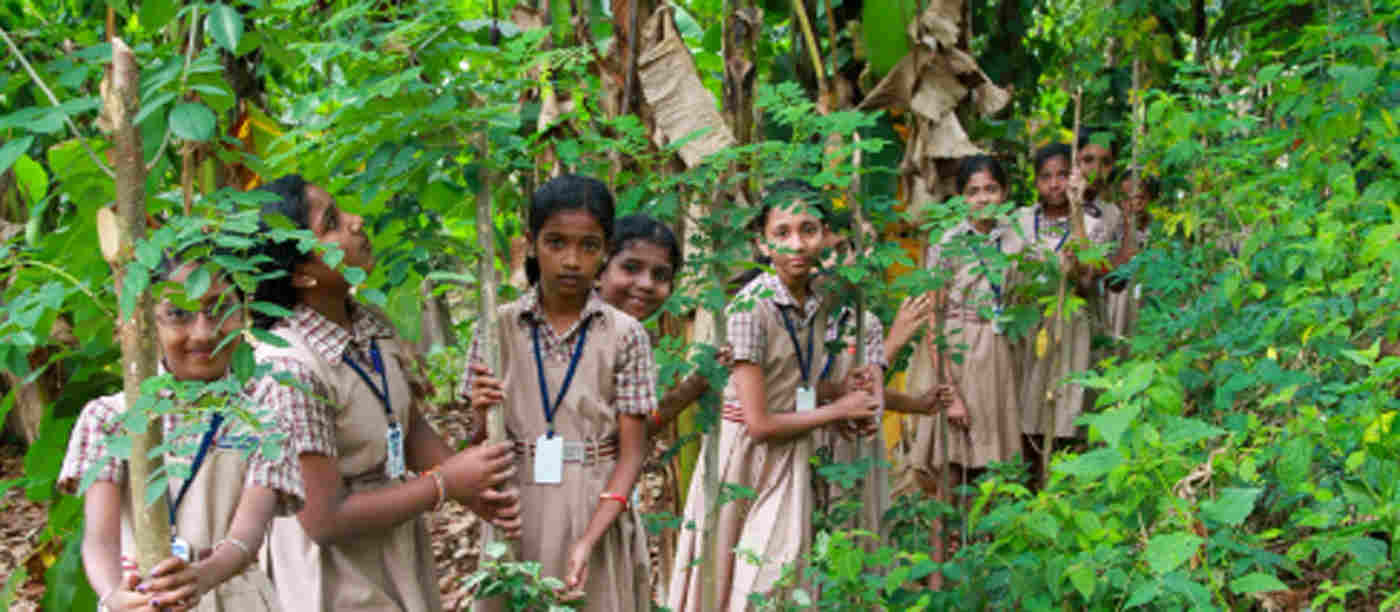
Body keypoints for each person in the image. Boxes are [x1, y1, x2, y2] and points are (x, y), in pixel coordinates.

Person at [249, 174, 521, 612]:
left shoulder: (369, 326)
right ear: (300, 272)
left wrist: (473, 486)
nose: (356, 223)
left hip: (392, 541)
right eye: (332, 223)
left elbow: (408, 429)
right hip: (334, 572)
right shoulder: (288, 368)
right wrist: (446, 484)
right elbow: (323, 519)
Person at [666, 180, 883, 612]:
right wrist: (838, 408)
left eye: (809, 230)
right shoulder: (752, 306)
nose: (797, 244)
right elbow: (759, 422)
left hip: (794, 445)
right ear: (762, 244)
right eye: (782, 233)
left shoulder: (821, 301)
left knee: (791, 578)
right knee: (752, 582)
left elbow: (793, 383)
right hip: (747, 455)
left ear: (827, 235)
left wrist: (846, 402)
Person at [60, 254, 303, 612]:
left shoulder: (264, 412)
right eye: (178, 314)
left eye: (219, 309)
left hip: (235, 598)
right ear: (145, 321)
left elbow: (246, 537)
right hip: (137, 598)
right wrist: (114, 595)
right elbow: (99, 539)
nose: (203, 332)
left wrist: (202, 576)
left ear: (244, 312)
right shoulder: (111, 417)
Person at [462, 175, 656, 612]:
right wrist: (479, 412)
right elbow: (478, 441)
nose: (572, 260)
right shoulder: (497, 329)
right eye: (556, 243)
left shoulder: (625, 335)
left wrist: (590, 537)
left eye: (588, 246)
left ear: (605, 250)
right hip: (517, 499)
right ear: (531, 244)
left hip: (595, 498)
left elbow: (630, 455)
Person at [1014, 143, 1125, 474]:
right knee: (1027, 410)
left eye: (1063, 175)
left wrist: (1076, 210)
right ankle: (1032, 483)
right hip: (1030, 326)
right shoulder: (1020, 220)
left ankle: (1066, 481)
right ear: (1035, 182)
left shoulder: (1093, 223)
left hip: (1072, 324)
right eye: (1046, 176)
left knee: (1069, 411)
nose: (1054, 184)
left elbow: (1087, 278)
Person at [1105, 170, 1160, 340]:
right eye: (1126, 199)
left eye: (1140, 198)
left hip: (1149, 300)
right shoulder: (1113, 227)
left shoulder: (1158, 230)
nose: (1132, 204)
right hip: (1117, 302)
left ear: (1150, 198)